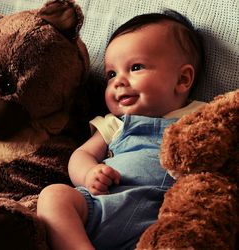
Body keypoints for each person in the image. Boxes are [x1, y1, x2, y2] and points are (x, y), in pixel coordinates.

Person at [37, 10, 205, 250]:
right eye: (111, 74)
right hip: (103, 207)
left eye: (136, 67)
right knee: (53, 196)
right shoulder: (114, 123)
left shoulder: (202, 116)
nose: (118, 81)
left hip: (163, 220)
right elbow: (80, 156)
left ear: (182, 79)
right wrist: (89, 174)